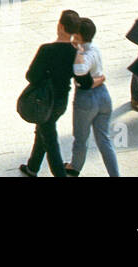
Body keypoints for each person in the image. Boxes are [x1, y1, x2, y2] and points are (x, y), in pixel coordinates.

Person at [18, 10, 81, 177]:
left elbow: (31, 76)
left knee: (50, 140)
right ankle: (32, 167)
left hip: (44, 101)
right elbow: (81, 77)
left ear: (60, 26)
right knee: (44, 130)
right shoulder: (76, 52)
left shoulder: (46, 50)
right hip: (61, 102)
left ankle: (59, 174)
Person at [65, 18, 120, 177]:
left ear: (79, 35)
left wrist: (79, 51)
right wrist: (100, 79)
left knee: (81, 139)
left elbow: (80, 71)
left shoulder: (83, 53)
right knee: (104, 139)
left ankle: (74, 168)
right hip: (104, 96)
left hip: (86, 100)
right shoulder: (95, 48)